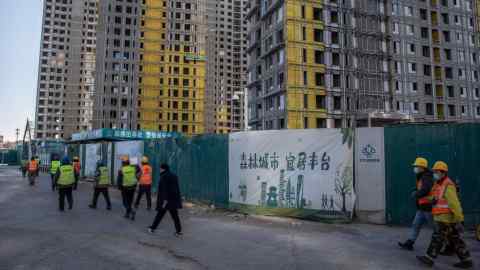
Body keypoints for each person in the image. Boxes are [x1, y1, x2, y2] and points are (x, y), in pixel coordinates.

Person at [416, 161, 473, 269]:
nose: (434, 173)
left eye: (437, 172)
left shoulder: (448, 185)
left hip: (444, 218)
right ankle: (467, 260)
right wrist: (427, 199)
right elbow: (437, 198)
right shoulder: (439, 184)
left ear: (443, 172)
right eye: (434, 171)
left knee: (437, 238)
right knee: (455, 239)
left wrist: (460, 219)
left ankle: (429, 258)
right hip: (444, 217)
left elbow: (454, 204)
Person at [398, 157, 434, 250]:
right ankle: (410, 243)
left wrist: (416, 194)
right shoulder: (422, 176)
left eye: (416, 166)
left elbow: (426, 190)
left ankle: (448, 245)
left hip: (428, 207)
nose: (415, 168)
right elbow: (422, 188)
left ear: (422, 167)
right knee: (416, 225)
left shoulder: (427, 177)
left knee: (437, 229)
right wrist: (416, 190)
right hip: (422, 207)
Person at [148, 164, 182, 236]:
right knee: (175, 216)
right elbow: (176, 188)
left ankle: (152, 228)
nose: (159, 170)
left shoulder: (164, 177)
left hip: (166, 200)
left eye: (160, 169)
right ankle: (178, 231)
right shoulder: (174, 175)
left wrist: (165, 200)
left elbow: (164, 189)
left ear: (163, 169)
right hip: (173, 199)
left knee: (160, 214)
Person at [117, 155, 137, 220]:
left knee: (125, 202)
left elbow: (119, 179)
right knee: (130, 201)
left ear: (123, 162)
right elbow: (137, 174)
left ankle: (131, 211)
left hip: (125, 187)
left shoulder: (121, 169)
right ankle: (127, 214)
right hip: (133, 187)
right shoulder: (133, 168)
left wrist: (119, 187)